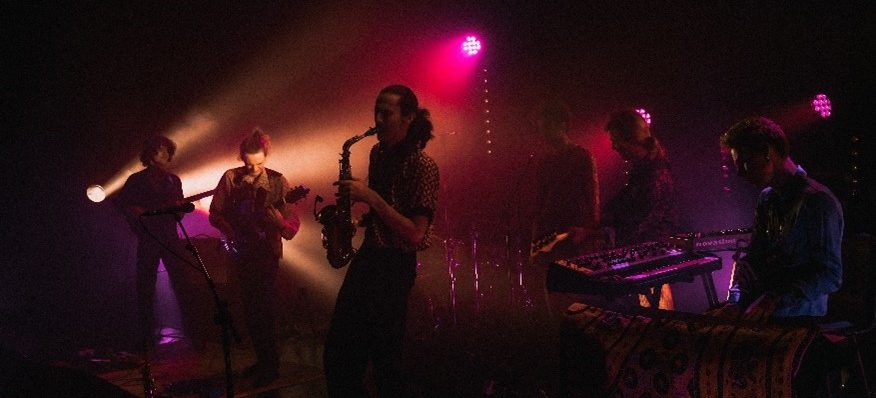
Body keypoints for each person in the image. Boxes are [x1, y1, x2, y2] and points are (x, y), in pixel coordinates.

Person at [323, 85, 439, 397]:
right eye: (376, 110)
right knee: (338, 355)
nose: (377, 119)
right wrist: (357, 220)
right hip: (370, 257)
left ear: (408, 118)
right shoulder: (378, 153)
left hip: (394, 267)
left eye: (386, 113)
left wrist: (370, 198)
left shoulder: (423, 166)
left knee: (386, 362)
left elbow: (416, 232)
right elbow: (385, 211)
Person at [718, 116, 843, 320]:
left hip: (800, 320)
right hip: (767, 313)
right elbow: (754, 260)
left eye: (745, 163)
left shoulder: (818, 202)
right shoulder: (767, 199)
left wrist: (774, 299)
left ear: (767, 153)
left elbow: (830, 275)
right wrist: (735, 300)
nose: (739, 173)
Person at [208, 129, 300, 387]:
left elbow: (292, 221)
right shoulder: (230, 178)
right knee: (249, 309)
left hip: (266, 252)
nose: (253, 169)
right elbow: (215, 213)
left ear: (266, 157)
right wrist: (230, 231)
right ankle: (262, 360)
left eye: (258, 163)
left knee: (266, 309)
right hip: (241, 251)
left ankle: (271, 366)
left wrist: (281, 223)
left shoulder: (278, 182)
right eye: (248, 164)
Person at [114, 135, 187, 355]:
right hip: (148, 239)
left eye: (167, 150)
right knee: (145, 288)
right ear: (150, 154)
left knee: (182, 284)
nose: (165, 154)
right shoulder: (136, 180)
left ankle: (193, 335)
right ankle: (147, 339)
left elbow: (179, 214)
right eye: (160, 150)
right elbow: (124, 207)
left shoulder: (174, 180)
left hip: (170, 239)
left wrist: (179, 209)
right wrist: (139, 217)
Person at [602, 109, 679, 309]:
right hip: (644, 258)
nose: (613, 147)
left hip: (651, 261)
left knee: (656, 322)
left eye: (616, 140)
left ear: (630, 137)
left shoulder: (654, 173)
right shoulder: (642, 170)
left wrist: (604, 231)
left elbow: (645, 219)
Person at [530, 100, 602, 262]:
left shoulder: (582, 156)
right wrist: (537, 242)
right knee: (551, 281)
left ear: (562, 125)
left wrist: (591, 232)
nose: (543, 134)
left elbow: (592, 198)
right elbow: (539, 203)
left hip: (574, 231)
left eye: (546, 127)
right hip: (551, 231)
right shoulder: (544, 161)